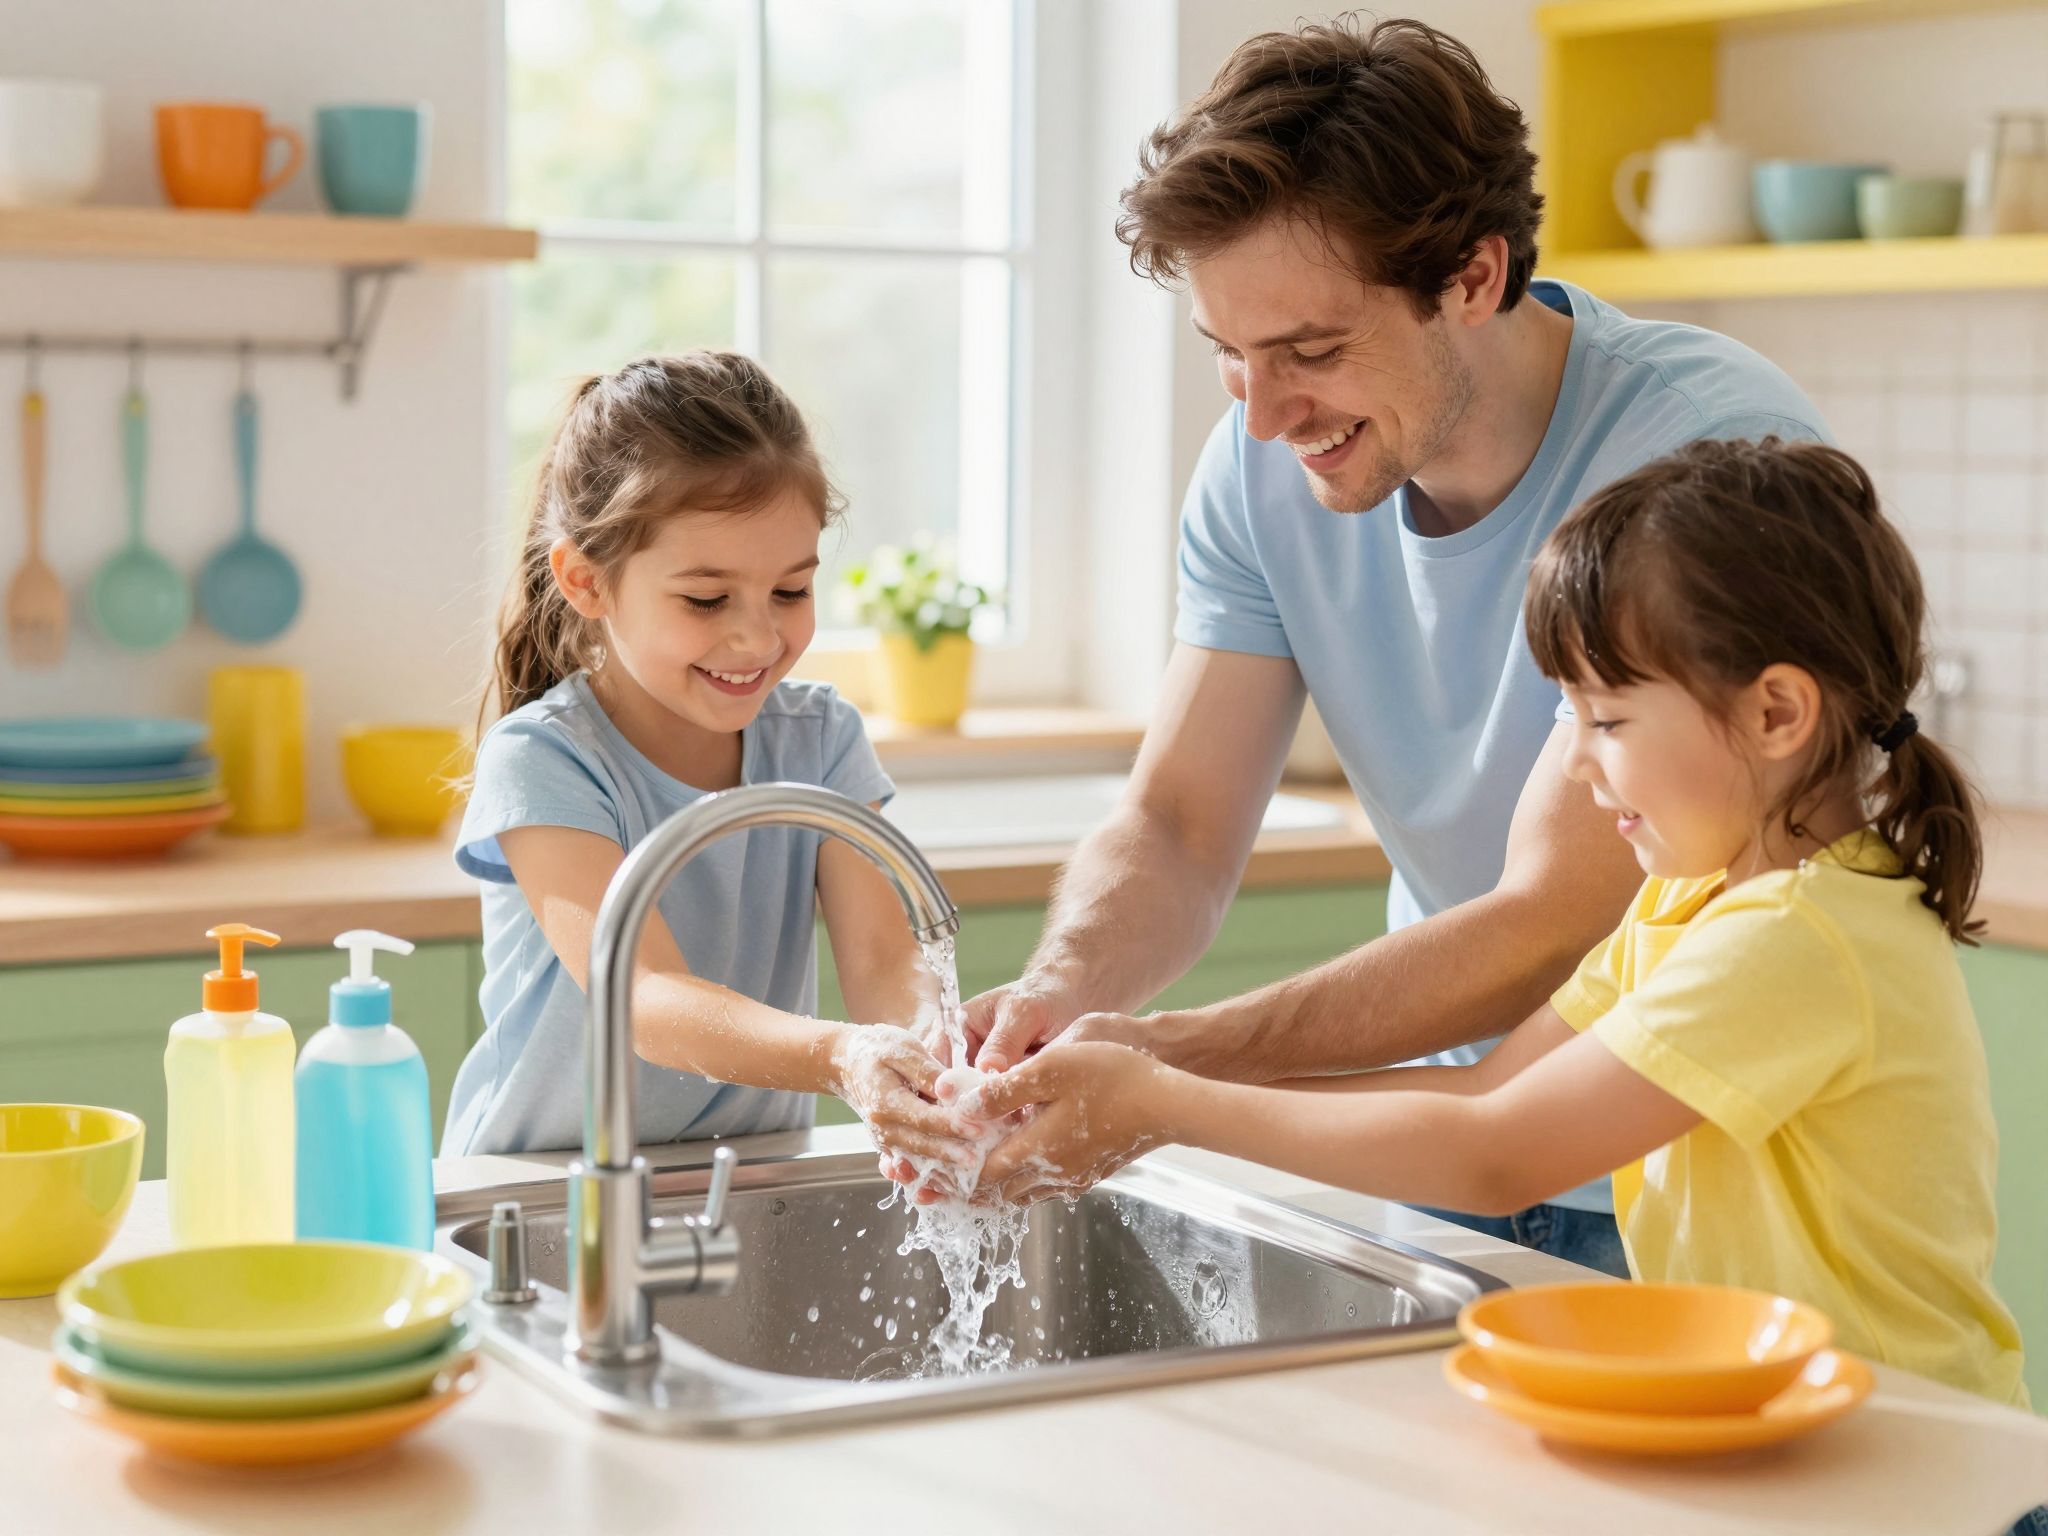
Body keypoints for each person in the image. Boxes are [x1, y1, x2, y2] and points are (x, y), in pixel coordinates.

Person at [939, 15, 1830, 1272]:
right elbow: (1179, 826)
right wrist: (1065, 994)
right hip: (1433, 1140)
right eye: (1227, 359)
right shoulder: (1260, 470)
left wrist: (1166, 1062)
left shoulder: (1696, 461)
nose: (1261, 416)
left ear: (1471, 276)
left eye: (1309, 352)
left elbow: (1550, 917)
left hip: (1684, 1167)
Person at [969, 437, 2029, 1413]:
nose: (1573, 761)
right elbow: (1487, 1089)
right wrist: (1159, 1068)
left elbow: (1496, 1156)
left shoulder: (1797, 937)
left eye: (1605, 719)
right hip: (1787, 1438)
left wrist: (1163, 1104)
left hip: (1919, 1469)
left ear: (1775, 714)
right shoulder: (1689, 898)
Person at [444, 351, 967, 1164]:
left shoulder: (819, 740)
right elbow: (643, 997)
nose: (758, 636)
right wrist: (842, 1054)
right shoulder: (544, 761)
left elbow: (880, 956)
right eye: (706, 599)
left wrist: (929, 1053)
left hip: (746, 1182)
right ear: (586, 582)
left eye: (791, 592)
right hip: (547, 1190)